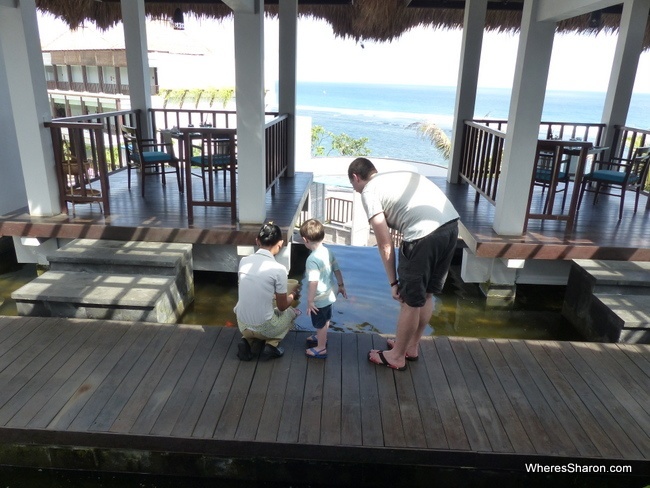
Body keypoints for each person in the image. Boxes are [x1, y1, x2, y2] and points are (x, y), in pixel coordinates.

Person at [348, 157, 459, 371]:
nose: (356, 190)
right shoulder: (398, 177)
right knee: (426, 294)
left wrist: (393, 283)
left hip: (424, 236)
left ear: (356, 177)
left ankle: (397, 356)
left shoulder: (370, 190)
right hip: (451, 226)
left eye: (354, 186)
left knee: (409, 300)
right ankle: (410, 346)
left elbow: (385, 243)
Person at [234, 222, 300, 361]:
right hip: (264, 327)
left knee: (264, 310)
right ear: (280, 243)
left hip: (242, 323)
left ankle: (246, 340)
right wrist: (293, 294)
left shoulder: (244, 261)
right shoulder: (279, 269)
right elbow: (282, 306)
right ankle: (271, 344)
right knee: (290, 313)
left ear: (257, 241)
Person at [299, 218, 347, 359]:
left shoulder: (312, 259)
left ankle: (321, 348)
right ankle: (322, 337)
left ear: (305, 239)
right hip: (330, 294)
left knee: (320, 323)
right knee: (326, 319)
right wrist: (341, 285)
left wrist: (310, 301)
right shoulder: (328, 251)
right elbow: (337, 269)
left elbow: (313, 282)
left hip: (319, 298)